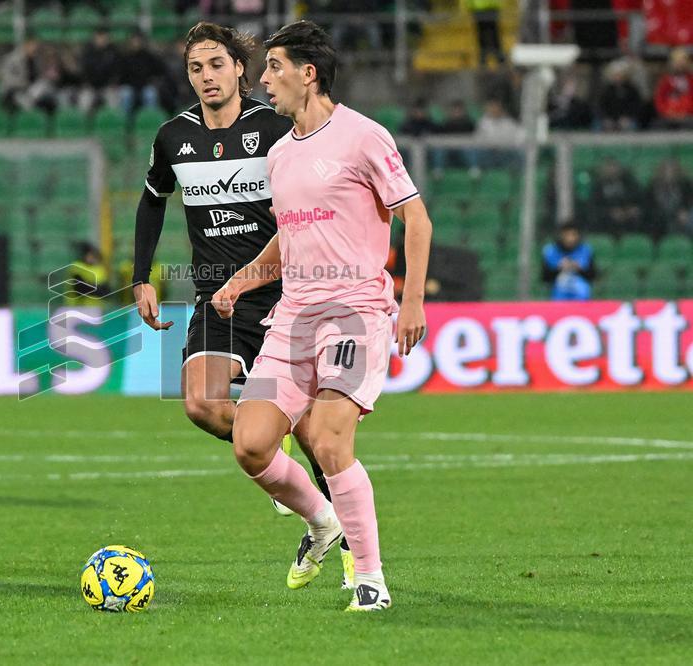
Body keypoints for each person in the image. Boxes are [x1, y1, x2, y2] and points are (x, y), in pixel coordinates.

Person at [211, 20, 431, 612]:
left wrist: (411, 300)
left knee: (332, 442)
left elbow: (417, 218)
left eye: (274, 68)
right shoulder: (280, 155)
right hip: (294, 316)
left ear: (309, 74)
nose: (264, 81)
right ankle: (321, 520)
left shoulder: (364, 136)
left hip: (355, 313)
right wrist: (243, 279)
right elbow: (288, 240)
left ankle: (371, 580)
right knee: (251, 444)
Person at [132, 22, 356, 582]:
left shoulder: (274, 127)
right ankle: (304, 499)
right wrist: (141, 276)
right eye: (195, 68)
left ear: (239, 69)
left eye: (215, 65)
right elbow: (152, 201)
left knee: (311, 434)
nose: (206, 77)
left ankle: (351, 543)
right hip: (216, 294)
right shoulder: (172, 138)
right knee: (201, 404)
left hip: (282, 293)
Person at [541, 220, 597, 300]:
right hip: (558, 300)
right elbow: (545, 278)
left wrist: (579, 268)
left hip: (582, 301)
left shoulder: (585, 250)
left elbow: (592, 275)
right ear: (561, 235)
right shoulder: (550, 251)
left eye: (573, 235)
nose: (570, 239)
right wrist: (559, 268)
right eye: (567, 235)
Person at [653, 48, 693, 129]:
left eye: (682, 62)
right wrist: (667, 112)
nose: (679, 65)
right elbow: (659, 99)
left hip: (687, 115)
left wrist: (685, 112)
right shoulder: (665, 81)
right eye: (677, 62)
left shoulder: (691, 80)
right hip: (668, 115)